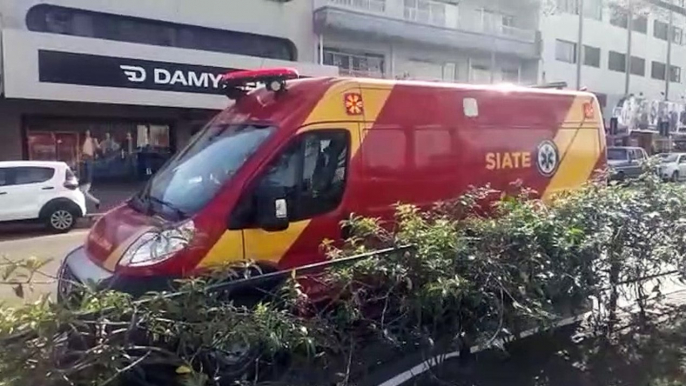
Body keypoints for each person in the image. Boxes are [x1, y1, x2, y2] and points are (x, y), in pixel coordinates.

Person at [80, 130, 101, 210]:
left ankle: (96, 202)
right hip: (86, 180)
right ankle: (96, 202)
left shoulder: (88, 161)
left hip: (86, 180)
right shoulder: (84, 141)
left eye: (88, 133)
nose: (87, 134)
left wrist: (84, 180)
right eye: (86, 133)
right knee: (83, 193)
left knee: (83, 192)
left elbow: (87, 172)